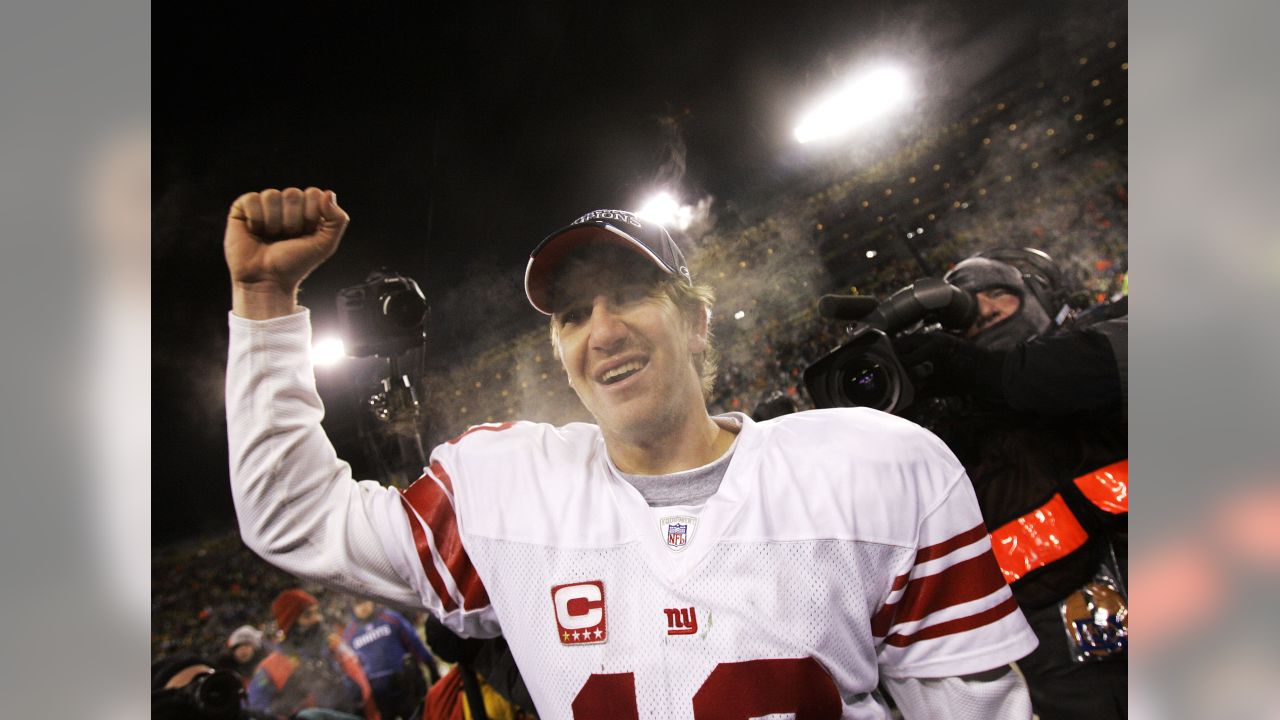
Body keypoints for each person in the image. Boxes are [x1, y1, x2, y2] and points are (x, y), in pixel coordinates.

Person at [225, 187, 1039, 718]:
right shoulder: (505, 491)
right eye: (574, 315)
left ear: (695, 321)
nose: (604, 331)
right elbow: (292, 518)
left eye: (633, 294)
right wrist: (264, 306)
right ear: (559, 351)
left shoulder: (875, 467)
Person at [891, 251, 1128, 719]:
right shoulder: (954, 422)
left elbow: (1071, 372)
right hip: (1059, 649)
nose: (986, 315)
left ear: (1041, 296)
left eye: (999, 303)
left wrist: (986, 373)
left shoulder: (1109, 335)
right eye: (972, 319)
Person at [247, 589, 381, 720]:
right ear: (290, 624)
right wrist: (285, 706)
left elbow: (363, 672)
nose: (317, 619)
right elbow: (255, 710)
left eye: (317, 612)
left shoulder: (334, 645)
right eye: (307, 615)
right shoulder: (273, 666)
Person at [341, 599, 440, 719]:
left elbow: (414, 642)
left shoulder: (390, 618)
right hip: (377, 693)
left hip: (405, 684)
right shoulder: (349, 635)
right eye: (357, 604)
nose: (363, 607)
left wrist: (430, 664)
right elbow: (350, 669)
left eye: (364, 601)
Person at [217, 624, 268, 692]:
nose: (243, 650)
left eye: (247, 645)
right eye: (238, 646)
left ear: (254, 648)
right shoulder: (225, 670)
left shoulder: (264, 664)